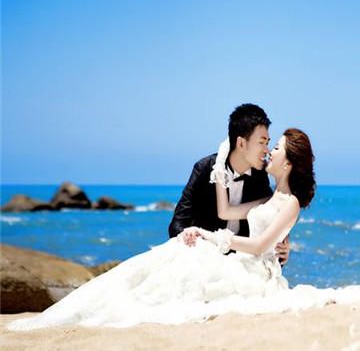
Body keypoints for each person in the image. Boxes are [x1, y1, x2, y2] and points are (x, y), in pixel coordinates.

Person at [8, 128, 316, 330]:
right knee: (178, 254)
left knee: (193, 270)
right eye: (269, 144)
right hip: (239, 259)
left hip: (253, 271)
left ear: (288, 163)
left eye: (276, 147)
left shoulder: (290, 202)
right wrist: (220, 168)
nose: (270, 151)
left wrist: (215, 237)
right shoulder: (268, 195)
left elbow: (262, 244)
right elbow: (227, 213)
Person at [169, 103, 291, 265]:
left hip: (241, 263)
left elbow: (269, 219)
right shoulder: (205, 168)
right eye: (261, 142)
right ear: (241, 143)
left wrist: (282, 250)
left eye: (268, 143)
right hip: (202, 259)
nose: (266, 150)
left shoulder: (260, 175)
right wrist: (190, 238)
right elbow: (177, 223)